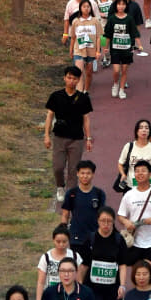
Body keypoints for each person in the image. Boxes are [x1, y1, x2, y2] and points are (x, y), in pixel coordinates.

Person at [44, 67, 93, 203]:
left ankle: (71, 195)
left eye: (74, 78)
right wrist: (46, 135)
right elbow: (49, 116)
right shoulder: (56, 96)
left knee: (73, 169)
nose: (71, 81)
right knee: (58, 167)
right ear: (64, 78)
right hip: (59, 136)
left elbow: (86, 118)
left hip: (77, 138)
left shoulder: (83, 98)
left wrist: (88, 138)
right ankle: (60, 186)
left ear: (78, 80)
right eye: (69, 78)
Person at [117, 160, 151, 268]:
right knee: (138, 275)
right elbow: (121, 216)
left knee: (150, 275)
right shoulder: (129, 195)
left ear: (150, 174)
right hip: (134, 241)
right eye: (137, 171)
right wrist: (126, 222)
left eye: (143, 171)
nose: (140, 174)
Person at [61, 160, 106, 256]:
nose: (85, 176)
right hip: (76, 237)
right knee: (77, 267)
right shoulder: (71, 193)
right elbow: (65, 215)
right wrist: (63, 232)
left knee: (92, 268)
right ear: (77, 174)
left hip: (95, 237)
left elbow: (103, 216)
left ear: (93, 174)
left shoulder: (99, 193)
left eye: (88, 173)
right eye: (82, 173)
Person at [35, 223, 83, 300]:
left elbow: (79, 280)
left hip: (69, 296)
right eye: (58, 241)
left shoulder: (75, 256)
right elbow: (41, 282)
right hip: (50, 296)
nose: (61, 245)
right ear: (53, 240)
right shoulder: (46, 257)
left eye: (64, 242)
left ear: (69, 241)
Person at [105, 0, 140, 100]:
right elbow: (108, 34)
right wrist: (106, 48)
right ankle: (115, 84)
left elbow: (134, 33)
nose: (121, 6)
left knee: (124, 70)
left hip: (126, 48)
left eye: (123, 4)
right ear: (116, 5)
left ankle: (121, 90)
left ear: (126, 6)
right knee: (116, 70)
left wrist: (140, 45)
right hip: (115, 49)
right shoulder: (111, 19)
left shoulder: (129, 19)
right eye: (119, 4)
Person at [117, 118, 151, 192]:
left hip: (149, 186)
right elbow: (120, 163)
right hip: (131, 186)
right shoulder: (129, 146)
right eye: (141, 128)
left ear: (149, 132)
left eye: (146, 128)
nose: (144, 130)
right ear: (136, 131)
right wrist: (123, 174)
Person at [69, 0, 101, 93]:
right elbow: (73, 37)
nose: (86, 9)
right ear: (80, 8)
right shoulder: (76, 22)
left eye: (88, 7)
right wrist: (71, 50)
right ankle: (79, 93)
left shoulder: (95, 21)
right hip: (78, 50)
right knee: (79, 72)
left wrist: (98, 51)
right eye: (84, 7)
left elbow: (99, 37)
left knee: (89, 73)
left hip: (91, 51)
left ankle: (85, 90)